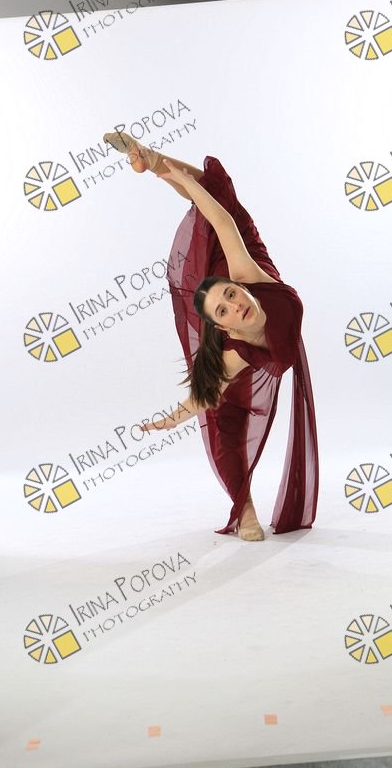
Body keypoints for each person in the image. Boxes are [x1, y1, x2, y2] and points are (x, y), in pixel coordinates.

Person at [103, 129, 319, 541]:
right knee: (224, 422)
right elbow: (201, 397)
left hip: (240, 253)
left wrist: (180, 178)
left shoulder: (247, 279)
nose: (237, 306)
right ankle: (244, 508)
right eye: (226, 311)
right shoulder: (234, 352)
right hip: (216, 289)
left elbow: (221, 221)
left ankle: (152, 159)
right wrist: (170, 421)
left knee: (220, 198)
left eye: (234, 297)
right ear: (224, 328)